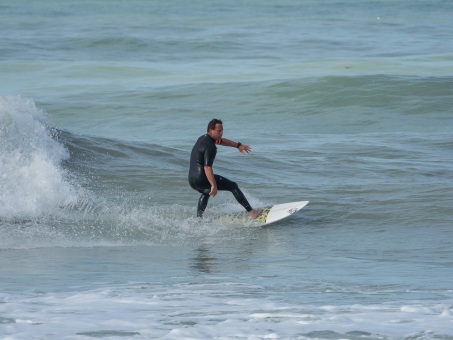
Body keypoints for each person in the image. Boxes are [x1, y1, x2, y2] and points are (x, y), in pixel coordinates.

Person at [188, 119, 262, 219]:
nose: (221, 133)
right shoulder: (210, 147)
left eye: (222, 130)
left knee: (206, 192)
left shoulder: (203, 138)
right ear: (211, 130)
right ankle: (252, 213)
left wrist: (238, 145)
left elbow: (222, 141)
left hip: (192, 179)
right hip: (202, 177)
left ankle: (198, 219)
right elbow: (207, 167)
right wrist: (213, 185)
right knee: (233, 186)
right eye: (219, 131)